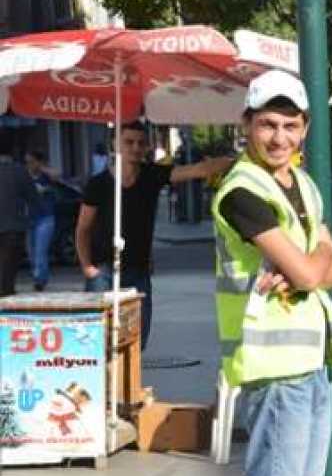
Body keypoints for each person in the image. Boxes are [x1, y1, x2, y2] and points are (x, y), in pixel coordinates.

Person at [211, 69, 332, 476]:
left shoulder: (303, 185)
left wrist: (308, 266)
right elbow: (315, 271)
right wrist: (313, 261)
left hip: (313, 363)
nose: (279, 138)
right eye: (268, 124)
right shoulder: (242, 191)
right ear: (247, 124)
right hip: (273, 370)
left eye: (290, 126)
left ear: (305, 127)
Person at [75, 121, 232, 350]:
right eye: (129, 142)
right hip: (103, 271)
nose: (135, 148)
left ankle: (128, 375)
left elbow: (197, 170)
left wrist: (238, 160)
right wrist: (87, 267)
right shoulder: (98, 184)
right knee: (96, 339)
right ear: (115, 144)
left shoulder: (152, 175)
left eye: (141, 143)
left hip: (138, 272)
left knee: (136, 340)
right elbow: (83, 228)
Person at [0, 132, 40, 297]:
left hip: (11, 227)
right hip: (13, 229)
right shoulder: (19, 171)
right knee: (7, 278)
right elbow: (34, 199)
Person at [25, 150, 59, 292]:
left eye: (31, 162)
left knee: (40, 251)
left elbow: (57, 175)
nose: (29, 165)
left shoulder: (46, 176)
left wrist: (42, 167)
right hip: (29, 219)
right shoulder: (25, 177)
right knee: (31, 253)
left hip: (45, 218)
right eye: (27, 162)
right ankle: (38, 277)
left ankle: (40, 280)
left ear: (38, 162)